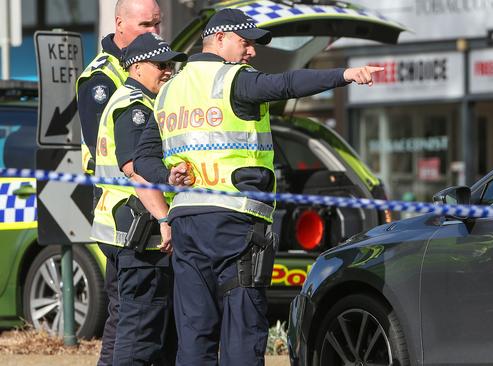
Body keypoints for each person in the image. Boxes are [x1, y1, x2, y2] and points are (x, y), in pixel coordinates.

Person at [133, 8, 382, 366]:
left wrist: (167, 177)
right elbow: (286, 84)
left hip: (187, 225)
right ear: (219, 39)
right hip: (234, 224)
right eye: (245, 42)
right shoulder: (233, 79)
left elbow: (142, 158)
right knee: (243, 331)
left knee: (195, 333)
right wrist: (346, 74)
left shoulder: (169, 91)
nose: (251, 52)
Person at [91, 32, 187, 365]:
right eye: (160, 64)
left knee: (122, 326)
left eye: (170, 64)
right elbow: (136, 169)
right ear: (136, 67)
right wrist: (164, 219)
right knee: (141, 333)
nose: (168, 71)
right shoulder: (135, 106)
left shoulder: (134, 100)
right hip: (139, 235)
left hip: (121, 230)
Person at [75, 1, 161, 364]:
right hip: (123, 211)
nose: (153, 31)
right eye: (145, 24)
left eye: (157, 22)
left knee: (128, 316)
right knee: (128, 316)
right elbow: (116, 151)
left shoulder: (154, 63)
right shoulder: (103, 75)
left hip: (143, 205)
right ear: (120, 23)